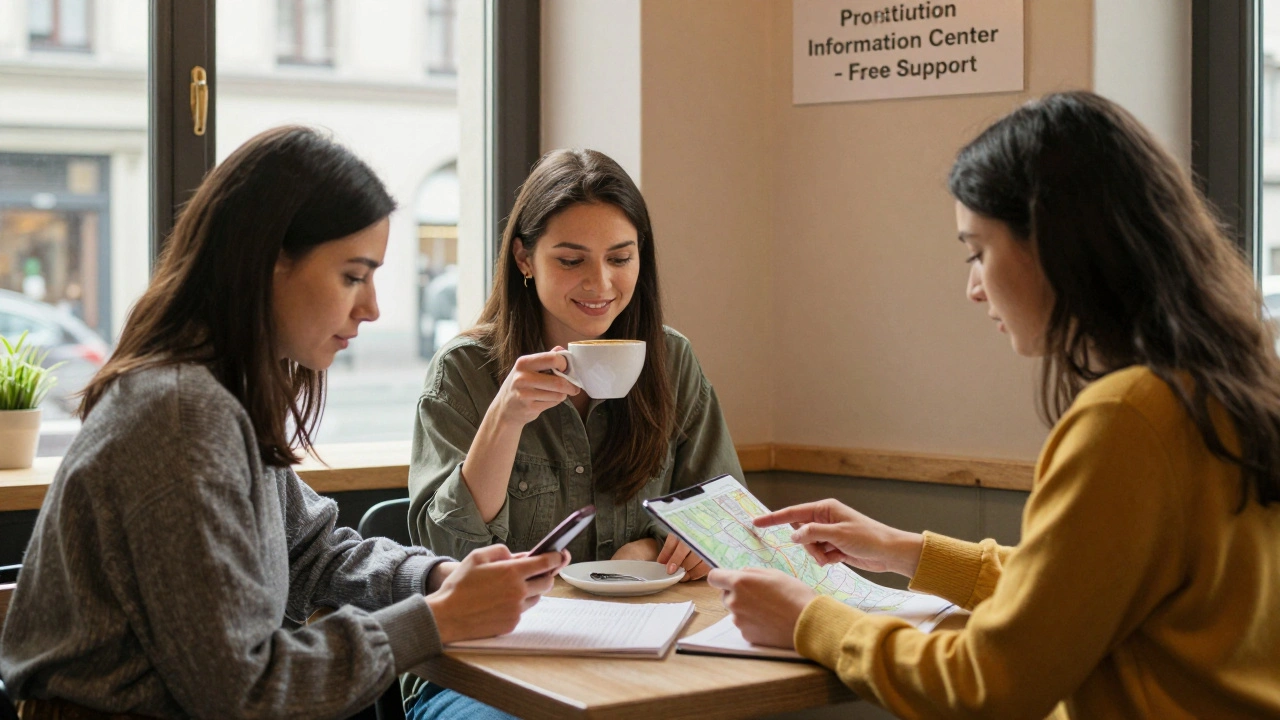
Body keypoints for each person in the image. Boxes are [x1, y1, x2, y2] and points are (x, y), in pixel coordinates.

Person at [707, 91, 1280, 719]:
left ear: (1056, 243)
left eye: (978, 251)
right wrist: (905, 550)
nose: (974, 288)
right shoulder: (1232, 381)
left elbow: (991, 683)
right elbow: (1074, 592)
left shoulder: (1129, 416)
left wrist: (810, 619)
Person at [0, 126, 567, 720]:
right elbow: (243, 689)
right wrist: (439, 619)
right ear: (268, 263)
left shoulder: (217, 396)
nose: (372, 308)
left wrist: (438, 577)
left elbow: (311, 549)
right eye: (353, 275)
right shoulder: (180, 414)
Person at [404, 149, 743, 715]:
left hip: (646, 653)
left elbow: (729, 521)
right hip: (484, 670)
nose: (601, 282)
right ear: (524, 258)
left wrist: (663, 549)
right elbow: (445, 560)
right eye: (571, 260)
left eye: (620, 257)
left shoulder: (670, 359)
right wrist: (505, 419)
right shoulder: (465, 371)